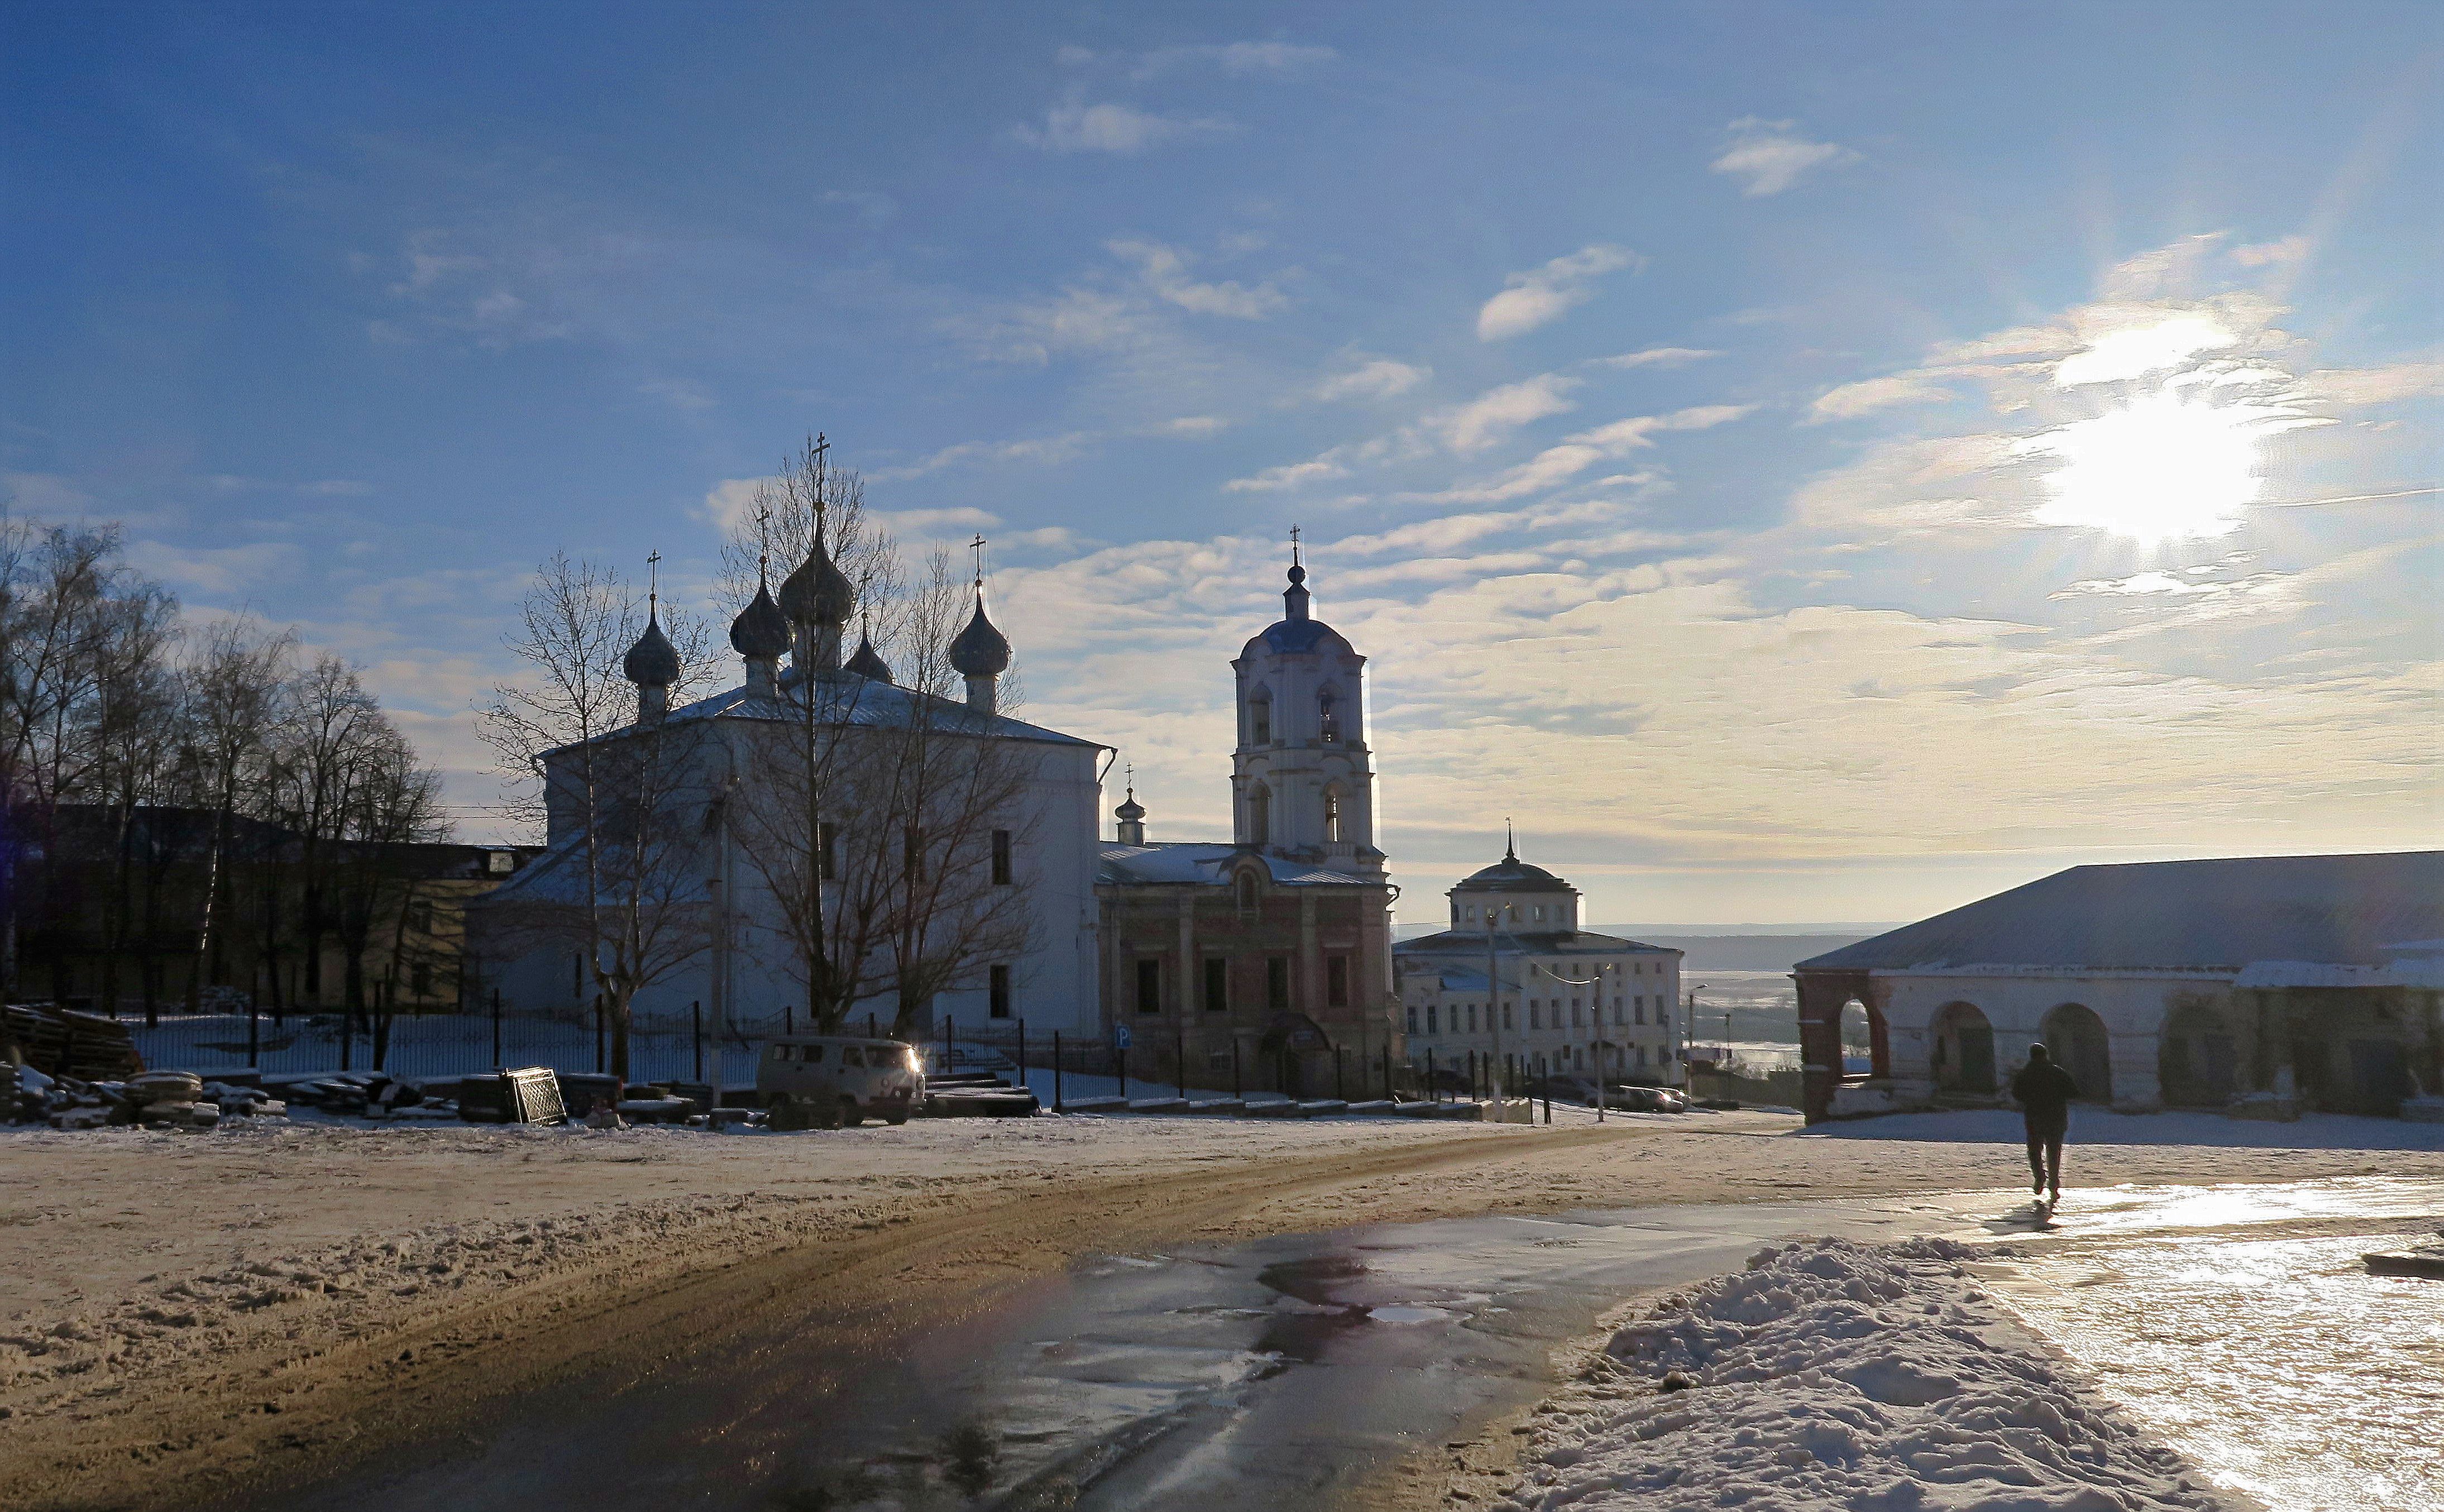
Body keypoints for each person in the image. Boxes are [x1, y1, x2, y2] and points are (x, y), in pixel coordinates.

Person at [2011, 1042, 2081, 1205]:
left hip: (2035, 1117)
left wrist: (2032, 1099)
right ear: (2046, 1054)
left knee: (2034, 1149)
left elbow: (2016, 1094)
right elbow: (2074, 1092)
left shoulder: (2026, 1074)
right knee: (2054, 1152)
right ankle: (2054, 1185)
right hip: (2056, 1118)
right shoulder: (2057, 1072)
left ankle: (2039, 1176)